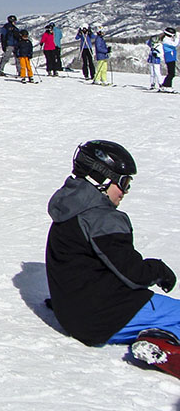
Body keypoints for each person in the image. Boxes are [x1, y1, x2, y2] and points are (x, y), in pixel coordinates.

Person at [45, 140, 179, 371]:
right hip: (104, 319)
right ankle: (165, 350)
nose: (125, 192)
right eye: (124, 183)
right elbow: (134, 274)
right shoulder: (101, 218)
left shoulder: (68, 208)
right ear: (101, 180)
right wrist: (159, 271)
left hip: (74, 316)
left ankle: (158, 336)